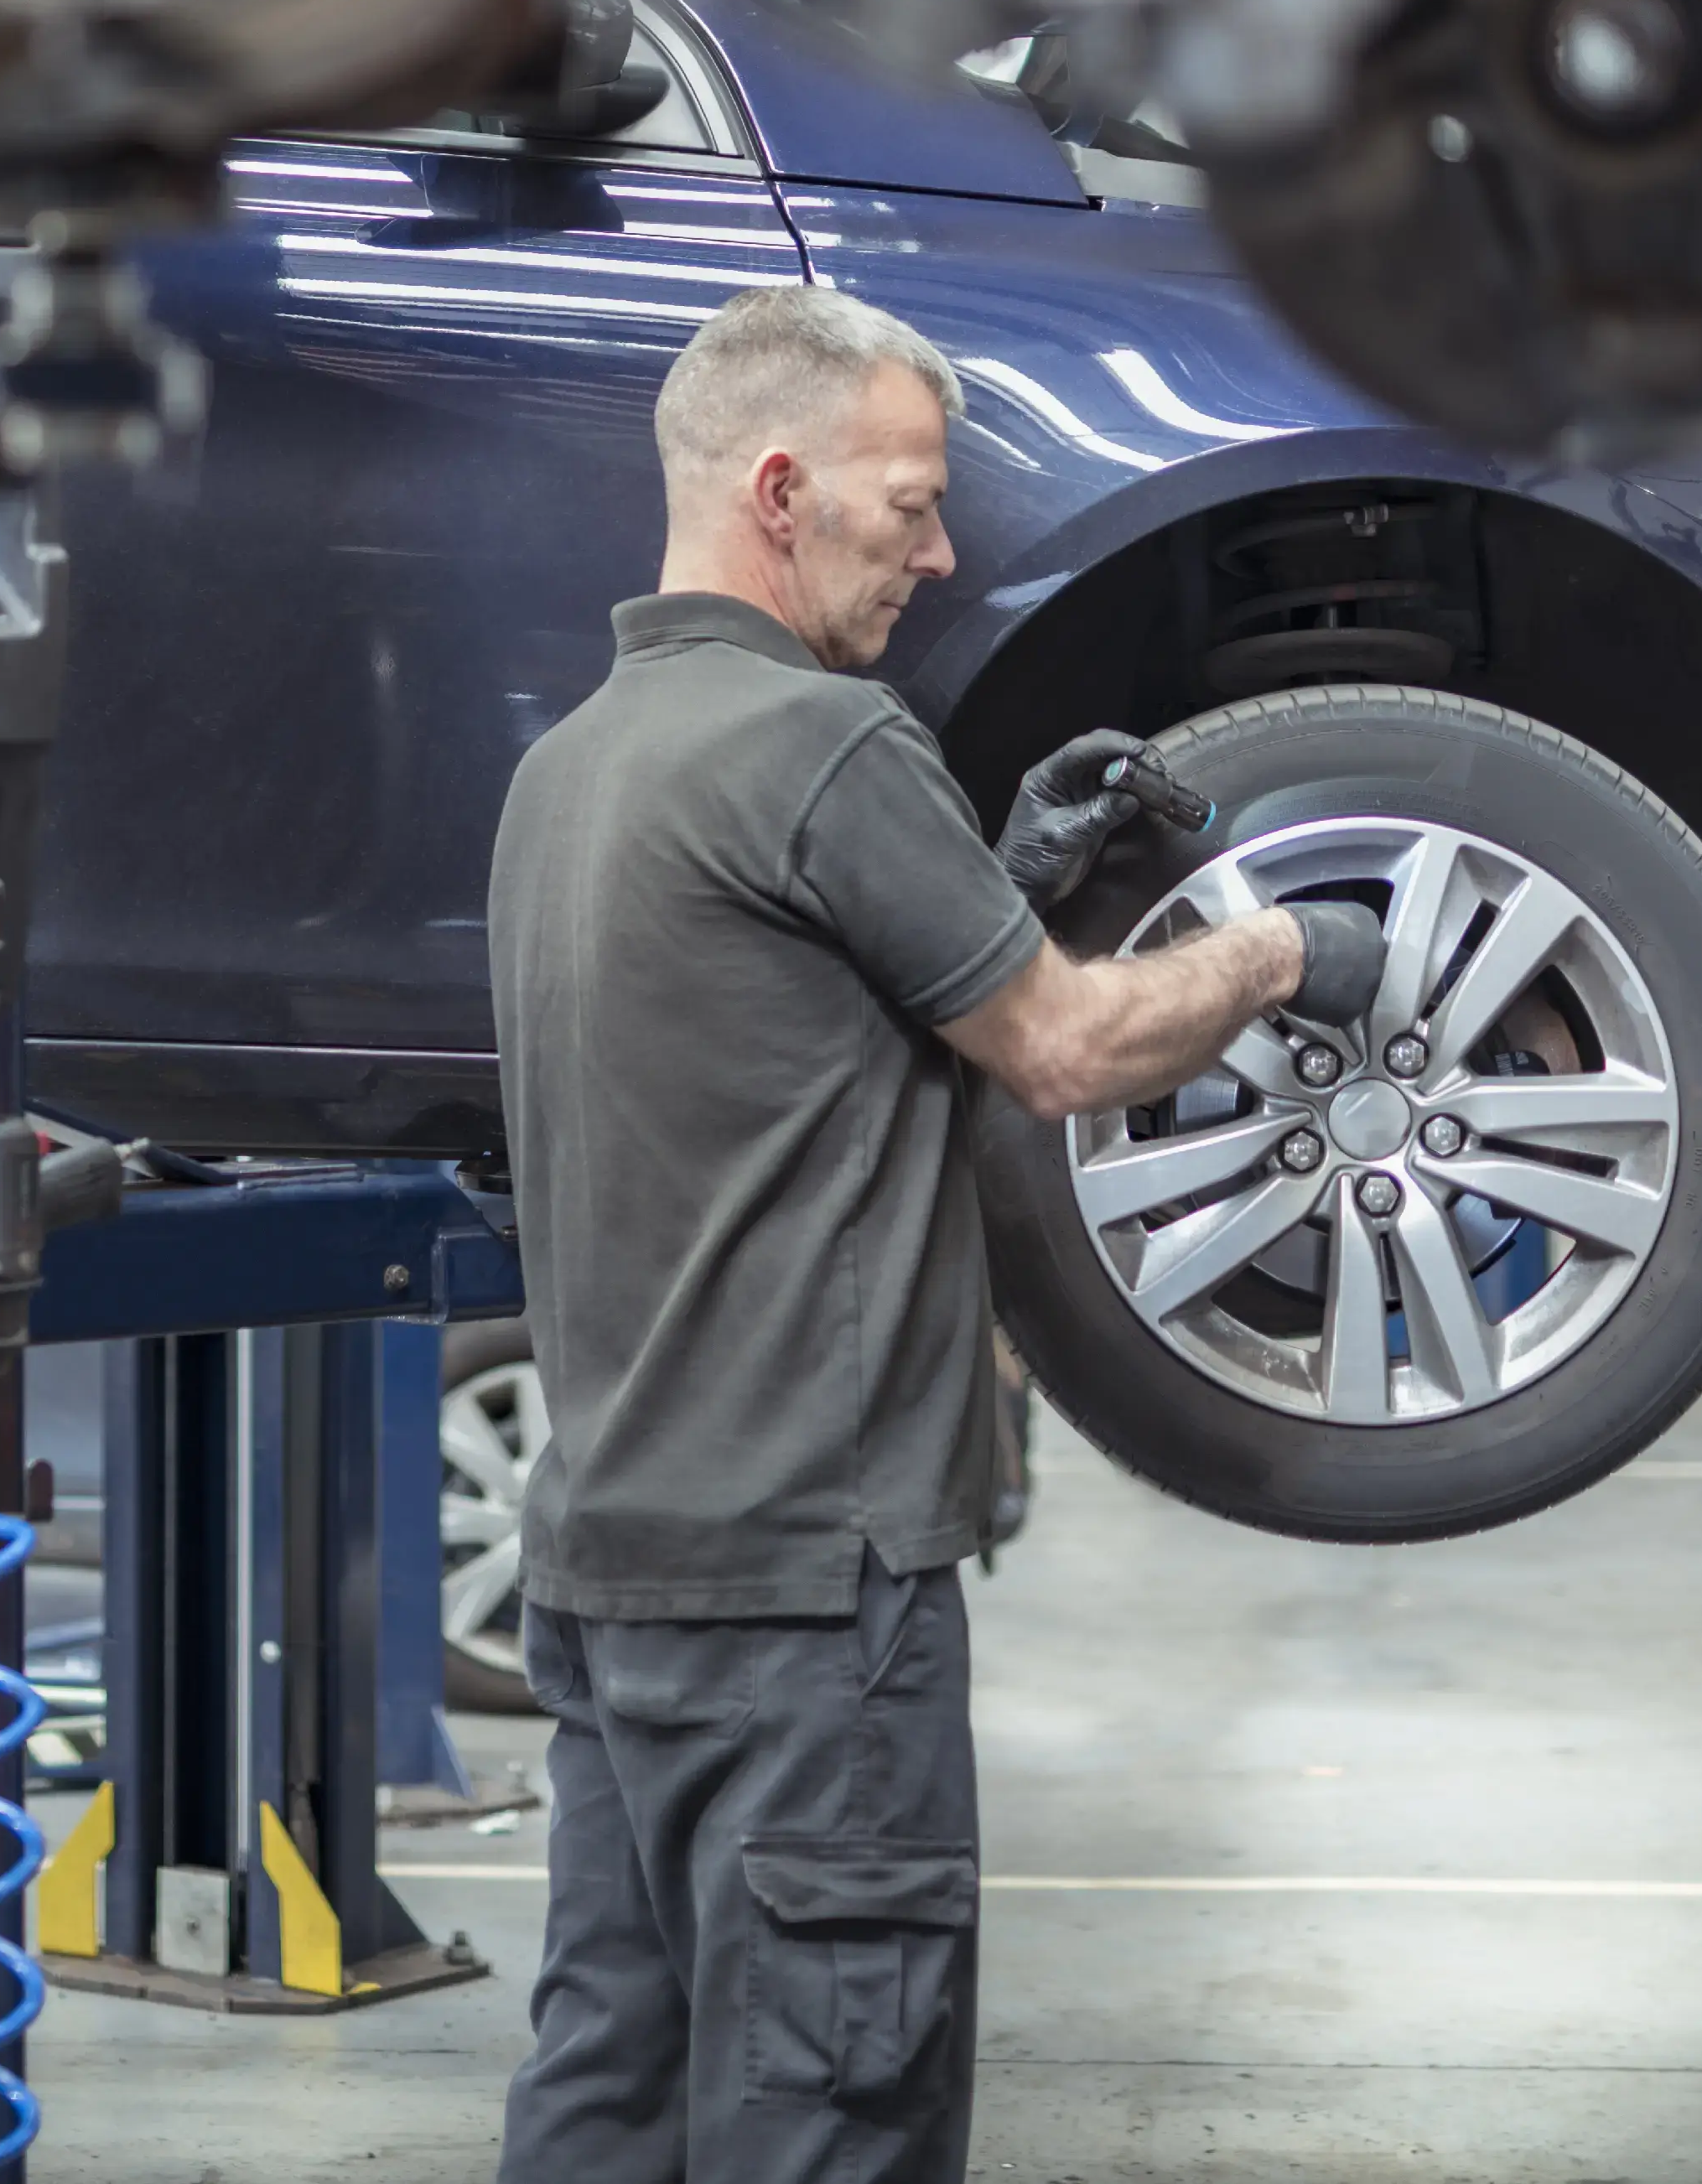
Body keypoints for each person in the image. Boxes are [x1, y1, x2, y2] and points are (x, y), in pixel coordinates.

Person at [485, 283, 1381, 2184]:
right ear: (784, 487)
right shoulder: (822, 746)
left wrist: (1012, 879)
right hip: (815, 1606)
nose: (941, 546)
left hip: (614, 1577)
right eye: (907, 502)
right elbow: (1059, 1050)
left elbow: (783, 1043)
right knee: (825, 2115)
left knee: (607, 2098)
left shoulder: (565, 777)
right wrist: (1287, 950)